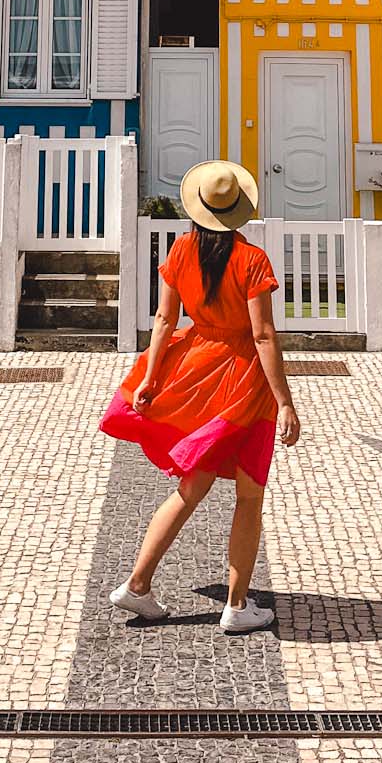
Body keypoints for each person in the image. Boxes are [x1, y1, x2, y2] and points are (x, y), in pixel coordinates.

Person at [98, 160, 301, 634]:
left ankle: (138, 584)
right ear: (238, 212)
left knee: (190, 489)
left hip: (197, 366)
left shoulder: (182, 250)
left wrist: (151, 377)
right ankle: (235, 605)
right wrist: (285, 401)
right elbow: (264, 335)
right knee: (249, 496)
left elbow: (165, 321)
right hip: (243, 382)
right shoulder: (252, 260)